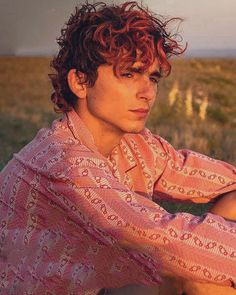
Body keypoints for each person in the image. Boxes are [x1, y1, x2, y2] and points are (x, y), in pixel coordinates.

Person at [0, 2, 235, 294]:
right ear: (80, 82)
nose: (147, 92)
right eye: (129, 74)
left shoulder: (134, 145)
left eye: (152, 78)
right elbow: (163, 238)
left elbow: (202, 174)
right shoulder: (63, 163)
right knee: (195, 271)